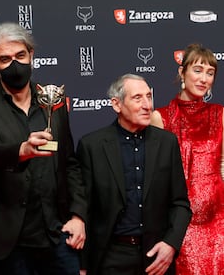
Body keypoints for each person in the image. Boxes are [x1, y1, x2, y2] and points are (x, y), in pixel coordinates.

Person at [0, 22, 87, 275]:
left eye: (20, 56)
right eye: (5, 59)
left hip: (57, 234)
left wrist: (78, 216)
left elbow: (69, 163)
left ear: (32, 55)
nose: (15, 64)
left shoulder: (53, 100)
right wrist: (22, 150)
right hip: (9, 241)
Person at [76, 73, 192, 275]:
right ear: (116, 104)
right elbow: (85, 209)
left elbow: (180, 204)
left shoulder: (167, 143)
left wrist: (170, 245)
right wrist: (83, 265)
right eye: (138, 98)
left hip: (156, 256)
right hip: (110, 258)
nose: (148, 105)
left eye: (149, 96)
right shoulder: (92, 146)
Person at [151, 43, 224, 274]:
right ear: (182, 73)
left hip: (217, 220)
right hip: (179, 223)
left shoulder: (220, 115)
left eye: (210, 73)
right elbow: (156, 176)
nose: (204, 79)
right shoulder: (159, 118)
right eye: (198, 70)